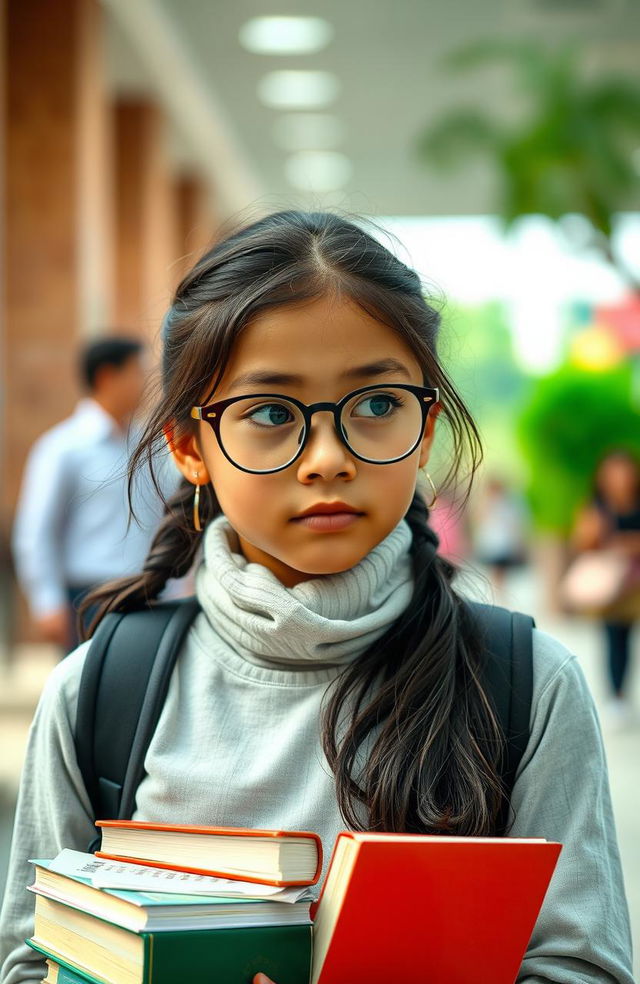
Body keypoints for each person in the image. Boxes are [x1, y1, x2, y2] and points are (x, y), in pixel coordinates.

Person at [0, 212, 633, 984]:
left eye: (375, 405)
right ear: (189, 446)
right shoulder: (100, 695)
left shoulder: (525, 685)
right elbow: (33, 965)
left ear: (426, 424)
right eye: (271, 414)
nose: (328, 459)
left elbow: (581, 966)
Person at [12, 336, 172, 652]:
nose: (145, 383)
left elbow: (165, 517)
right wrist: (46, 601)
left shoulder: (148, 445)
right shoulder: (63, 448)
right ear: (107, 377)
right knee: (87, 693)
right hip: (88, 597)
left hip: (146, 593)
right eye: (137, 372)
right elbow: (37, 531)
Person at [571, 449, 640, 727]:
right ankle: (617, 695)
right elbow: (582, 543)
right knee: (615, 638)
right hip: (613, 586)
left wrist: (626, 543)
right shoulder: (596, 507)